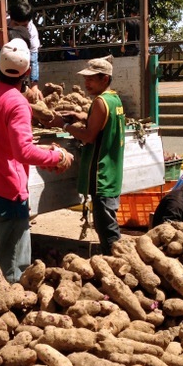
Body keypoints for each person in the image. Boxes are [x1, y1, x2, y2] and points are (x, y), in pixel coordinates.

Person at [0, 38, 73, 282]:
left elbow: (2, 141)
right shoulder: (17, 102)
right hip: (7, 192)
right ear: (27, 71)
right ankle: (9, 311)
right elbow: (23, 152)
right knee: (13, 270)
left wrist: (45, 150)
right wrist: (57, 155)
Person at [50, 56, 125, 255]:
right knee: (107, 219)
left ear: (105, 79)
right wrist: (82, 117)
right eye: (86, 78)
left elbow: (89, 136)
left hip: (101, 172)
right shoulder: (114, 99)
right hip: (112, 170)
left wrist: (64, 125)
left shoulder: (100, 102)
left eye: (92, 78)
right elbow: (102, 123)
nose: (86, 83)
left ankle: (116, 259)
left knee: (105, 226)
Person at [8, 0, 42, 103]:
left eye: (23, 26)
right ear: (11, 19)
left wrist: (34, 86)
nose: (19, 29)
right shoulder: (3, 24)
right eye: (16, 24)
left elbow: (33, 60)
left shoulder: (32, 33)